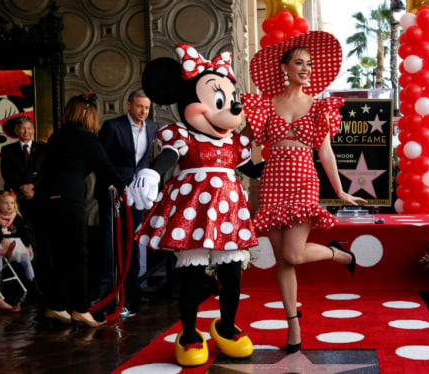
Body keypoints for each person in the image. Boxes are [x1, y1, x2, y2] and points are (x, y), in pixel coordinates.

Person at [129, 45, 264, 366]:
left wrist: (290, 158)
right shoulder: (180, 135)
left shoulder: (235, 141)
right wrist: (150, 172)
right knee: (190, 277)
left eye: (232, 102)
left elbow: (253, 170)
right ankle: (189, 333)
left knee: (232, 275)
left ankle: (226, 326)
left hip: (229, 215)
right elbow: (167, 157)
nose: (230, 109)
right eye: (220, 101)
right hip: (192, 214)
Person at [242, 31, 366, 353]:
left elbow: (325, 152)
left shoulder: (319, 105)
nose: (307, 68)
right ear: (284, 67)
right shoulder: (265, 104)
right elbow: (249, 145)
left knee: (294, 253)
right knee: (284, 260)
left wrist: (340, 191)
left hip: (303, 181)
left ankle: (340, 253)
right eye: (300, 62)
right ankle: (293, 327)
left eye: (309, 64)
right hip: (272, 181)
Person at [33, 93, 126, 328]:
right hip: (69, 200)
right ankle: (81, 309)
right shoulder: (86, 137)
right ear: (87, 114)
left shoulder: (56, 136)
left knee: (58, 255)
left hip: (46, 201)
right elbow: (104, 167)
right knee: (78, 254)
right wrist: (125, 186)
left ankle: (56, 305)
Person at [95, 90, 159, 314]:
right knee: (110, 242)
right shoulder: (113, 127)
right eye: (140, 106)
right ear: (129, 105)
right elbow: (102, 160)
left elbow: (147, 160)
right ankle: (106, 293)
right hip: (114, 192)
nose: (144, 111)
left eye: (147, 108)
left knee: (132, 240)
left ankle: (132, 291)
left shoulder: (152, 127)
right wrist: (115, 183)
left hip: (137, 194)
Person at [0, 116, 46, 229]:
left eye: (29, 128)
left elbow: (46, 171)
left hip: (38, 196)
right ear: (16, 131)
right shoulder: (7, 150)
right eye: (22, 128)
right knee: (18, 231)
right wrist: (23, 188)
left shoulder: (44, 149)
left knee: (40, 231)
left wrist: (33, 186)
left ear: (33, 130)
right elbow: (6, 173)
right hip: (16, 198)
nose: (26, 132)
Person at [0, 191, 36, 291]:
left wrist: (27, 246)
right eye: (6, 203)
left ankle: (33, 282)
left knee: (26, 259)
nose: (9, 205)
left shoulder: (17, 218)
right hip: (0, 244)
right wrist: (1, 240)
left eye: (12, 203)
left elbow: (24, 234)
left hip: (15, 245)